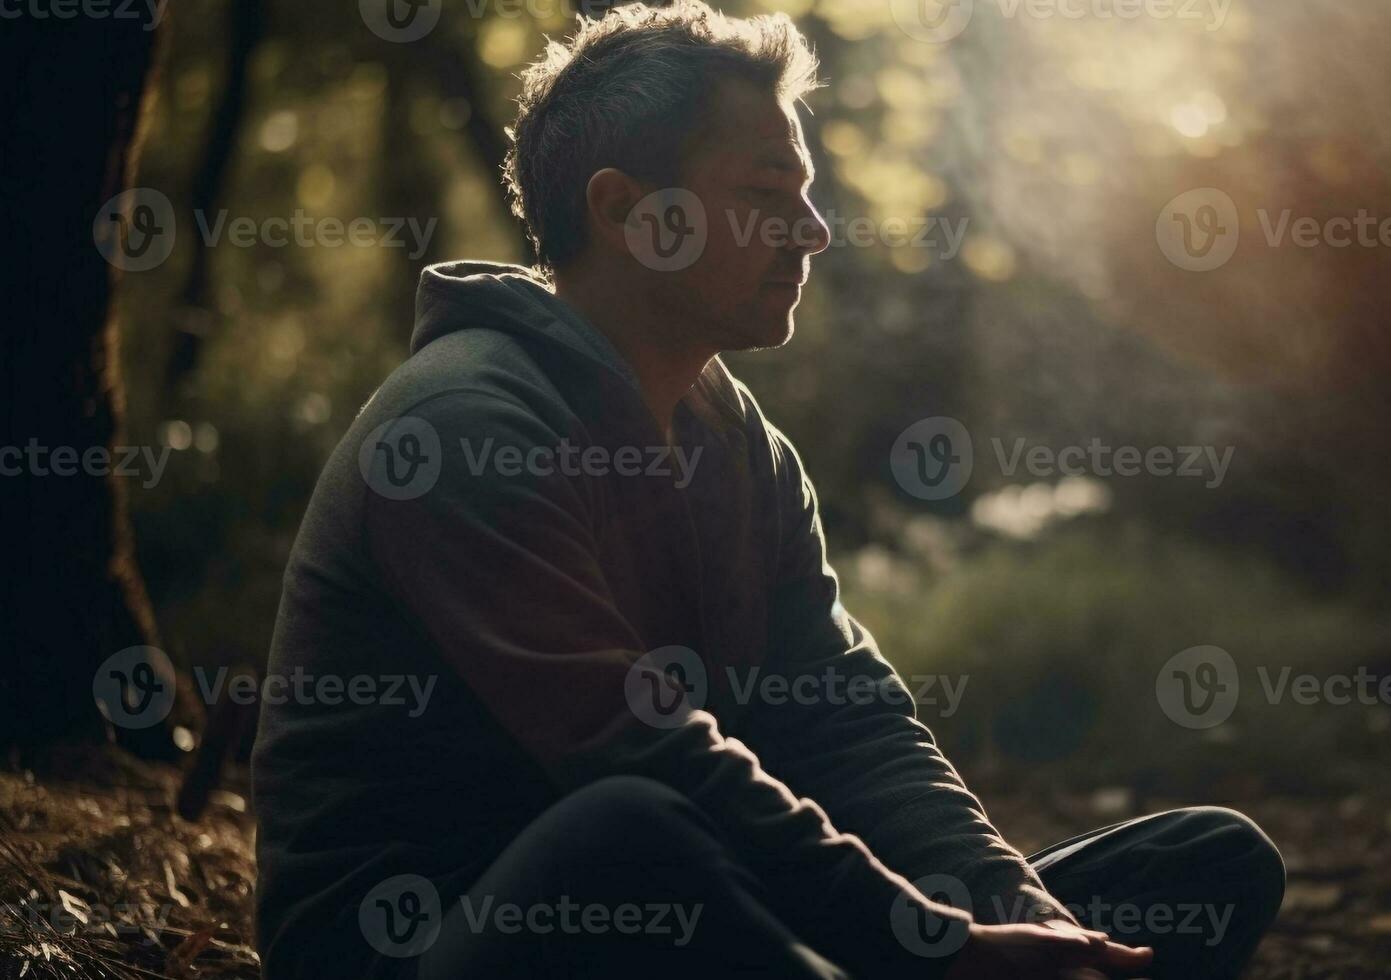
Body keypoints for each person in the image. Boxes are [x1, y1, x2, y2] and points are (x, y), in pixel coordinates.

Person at [251, 3, 1284, 977]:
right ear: (626, 212)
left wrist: (1013, 911)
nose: (813, 230)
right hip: (445, 939)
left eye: (805, 194)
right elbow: (633, 749)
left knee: (1200, 863)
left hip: (728, 919)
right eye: (763, 194)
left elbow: (846, 719)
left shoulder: (739, 440)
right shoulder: (460, 428)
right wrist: (926, 941)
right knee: (629, 829)